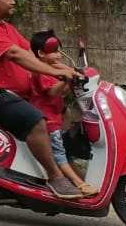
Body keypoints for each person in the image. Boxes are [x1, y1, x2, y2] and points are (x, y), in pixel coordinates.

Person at [0, 0, 83, 198]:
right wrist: (58, 73)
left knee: (60, 113)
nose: (14, 3)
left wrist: (70, 71)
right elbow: (16, 55)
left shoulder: (6, 28)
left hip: (12, 94)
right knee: (36, 120)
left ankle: (54, 167)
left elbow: (30, 53)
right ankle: (55, 178)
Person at [27, 30, 96, 198]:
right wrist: (66, 78)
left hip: (56, 119)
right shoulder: (42, 71)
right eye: (55, 52)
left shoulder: (52, 68)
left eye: (59, 51)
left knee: (64, 152)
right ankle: (79, 183)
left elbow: (61, 92)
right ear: (41, 54)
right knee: (59, 154)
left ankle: (81, 181)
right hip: (47, 122)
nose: (59, 55)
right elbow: (51, 92)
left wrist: (71, 80)